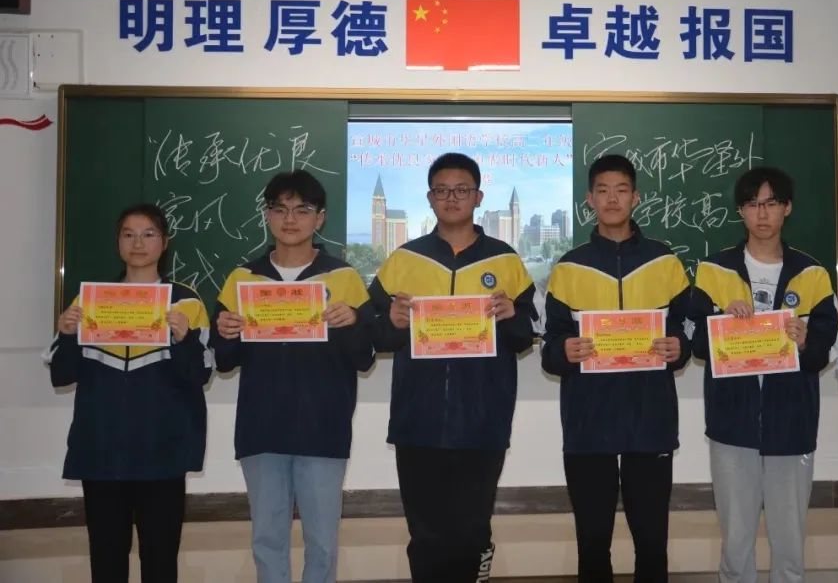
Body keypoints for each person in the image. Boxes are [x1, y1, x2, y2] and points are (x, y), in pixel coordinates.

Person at [368, 152, 537, 583]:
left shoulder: (505, 260)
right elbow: (374, 333)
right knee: (425, 533)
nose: (452, 198)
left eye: (462, 190)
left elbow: (526, 335)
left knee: (471, 530)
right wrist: (391, 323)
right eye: (442, 190)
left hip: (483, 419)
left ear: (478, 197)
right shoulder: (404, 259)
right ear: (430, 198)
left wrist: (510, 317)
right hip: (417, 420)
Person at [210, 170, 375, 583]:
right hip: (261, 428)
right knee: (267, 539)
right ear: (267, 215)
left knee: (322, 542)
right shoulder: (242, 279)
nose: (290, 219)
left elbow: (364, 358)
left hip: (323, 428)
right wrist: (225, 332)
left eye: (302, 210)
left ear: (320, 218)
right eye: (280, 209)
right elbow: (224, 361)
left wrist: (353, 322)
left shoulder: (344, 278)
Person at [541, 154, 691, 583]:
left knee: (652, 542)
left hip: (651, 421)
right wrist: (563, 351)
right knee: (592, 542)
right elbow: (550, 346)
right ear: (589, 199)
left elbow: (688, 332)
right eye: (603, 191)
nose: (612, 199)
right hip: (588, 424)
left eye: (621, 190)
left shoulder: (665, 262)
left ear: (635, 197)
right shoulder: (569, 267)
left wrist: (679, 348)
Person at [690, 166, 838, 583]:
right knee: (736, 537)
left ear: (787, 208)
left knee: (790, 537)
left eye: (771, 203)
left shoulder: (813, 274)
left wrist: (806, 340)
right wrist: (722, 322)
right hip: (732, 422)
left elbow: (823, 349)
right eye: (753, 204)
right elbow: (697, 345)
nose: (762, 213)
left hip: (791, 422)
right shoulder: (714, 270)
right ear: (740, 211)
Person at [48, 203, 211, 583]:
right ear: (118, 242)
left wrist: (185, 339)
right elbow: (61, 375)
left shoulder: (187, 302)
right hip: (102, 452)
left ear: (164, 242)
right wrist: (67, 334)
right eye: (129, 234)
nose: (138, 243)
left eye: (148, 234)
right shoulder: (90, 301)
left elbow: (200, 373)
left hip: (163, 453)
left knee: (160, 560)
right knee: (106, 559)